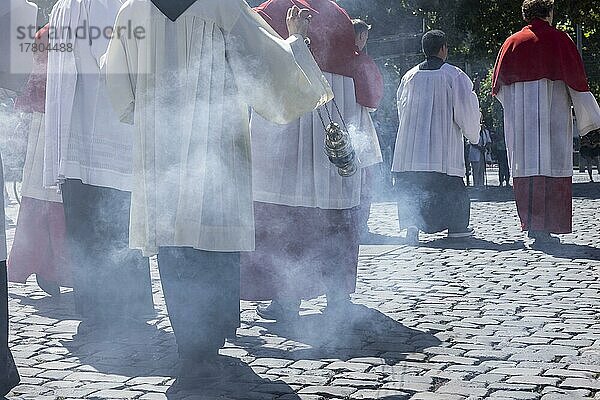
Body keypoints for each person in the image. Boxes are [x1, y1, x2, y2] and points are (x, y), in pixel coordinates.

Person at [103, 0, 332, 381]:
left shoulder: (131, 10)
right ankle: (207, 345)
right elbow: (265, 65)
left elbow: (118, 83)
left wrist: (147, 111)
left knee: (175, 246)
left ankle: (190, 348)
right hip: (217, 148)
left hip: (160, 149)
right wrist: (295, 41)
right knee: (213, 241)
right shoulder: (222, 5)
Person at [239, 0, 383, 321]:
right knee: (334, 210)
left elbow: (250, 68)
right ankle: (337, 296)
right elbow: (367, 87)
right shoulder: (339, 15)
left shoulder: (270, 10)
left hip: (287, 120)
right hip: (334, 113)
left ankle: (286, 299)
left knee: (285, 213)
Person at [44, 0, 154, 328]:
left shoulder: (62, 7)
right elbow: (113, 62)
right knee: (117, 222)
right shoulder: (112, 5)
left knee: (84, 225)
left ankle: (92, 307)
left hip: (74, 137)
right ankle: (126, 306)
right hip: (111, 131)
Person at [492, 0, 600, 246]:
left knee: (527, 168)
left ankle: (532, 225)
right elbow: (579, 86)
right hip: (555, 121)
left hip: (522, 127)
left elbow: (498, 91)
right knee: (553, 166)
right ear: (549, 13)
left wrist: (518, 112)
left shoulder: (511, 43)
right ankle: (549, 226)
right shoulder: (560, 41)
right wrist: (591, 123)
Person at [392, 30, 480, 245]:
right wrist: (473, 132)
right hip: (443, 149)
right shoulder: (454, 75)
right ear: (443, 49)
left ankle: (412, 225)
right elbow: (466, 110)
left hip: (411, 150)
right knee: (449, 185)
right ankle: (457, 227)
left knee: (413, 187)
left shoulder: (409, 76)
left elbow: (401, 109)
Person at [8, 25, 71, 296]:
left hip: (51, 119)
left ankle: (52, 267)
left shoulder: (50, 31)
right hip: (52, 122)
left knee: (48, 195)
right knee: (48, 196)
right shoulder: (50, 31)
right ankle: (51, 267)